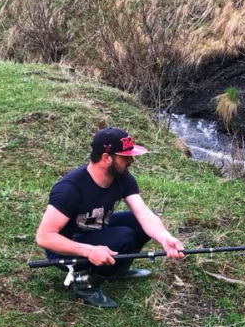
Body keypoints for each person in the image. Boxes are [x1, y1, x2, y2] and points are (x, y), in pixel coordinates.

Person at [35, 126, 184, 308]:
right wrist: (89, 251)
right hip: (66, 250)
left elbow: (143, 213)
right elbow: (44, 237)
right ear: (106, 158)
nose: (131, 160)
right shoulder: (69, 189)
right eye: (125, 156)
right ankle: (85, 283)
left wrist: (164, 237)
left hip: (97, 230)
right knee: (123, 236)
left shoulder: (122, 177)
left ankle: (117, 270)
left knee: (136, 223)